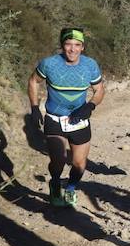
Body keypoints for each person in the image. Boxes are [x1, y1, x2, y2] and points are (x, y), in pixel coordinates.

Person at [28, 27, 105, 208]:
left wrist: (90, 105)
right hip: (55, 118)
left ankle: (70, 188)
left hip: (79, 121)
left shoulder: (90, 65)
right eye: (68, 44)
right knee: (59, 159)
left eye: (77, 45)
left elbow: (99, 89)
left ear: (83, 47)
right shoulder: (49, 64)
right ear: (62, 45)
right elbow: (33, 81)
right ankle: (55, 183)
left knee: (79, 164)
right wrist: (34, 108)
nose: (72, 49)